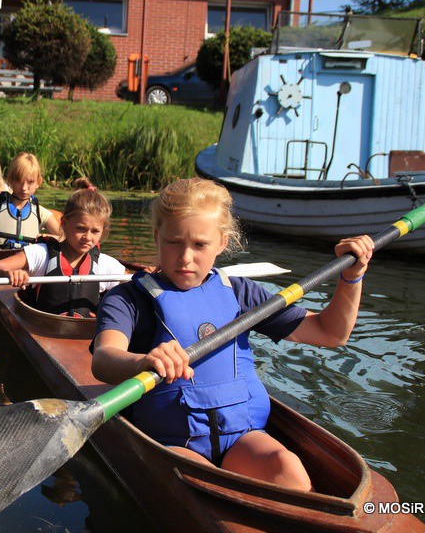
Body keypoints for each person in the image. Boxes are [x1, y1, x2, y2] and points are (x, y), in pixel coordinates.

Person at [91, 177, 374, 491]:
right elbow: (104, 359)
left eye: (200, 245)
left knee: (288, 469)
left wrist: (352, 278)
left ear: (222, 243)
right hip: (173, 444)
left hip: (245, 437)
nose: (185, 257)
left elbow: (330, 332)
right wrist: (142, 361)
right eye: (174, 242)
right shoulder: (128, 299)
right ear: (157, 236)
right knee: (200, 485)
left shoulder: (242, 294)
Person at [0, 178, 125, 317]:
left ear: (103, 230)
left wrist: (146, 278)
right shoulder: (40, 254)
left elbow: (136, 285)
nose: (87, 237)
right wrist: (8, 273)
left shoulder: (106, 265)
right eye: (80, 228)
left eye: (95, 231)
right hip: (43, 329)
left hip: (84, 332)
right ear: (64, 224)